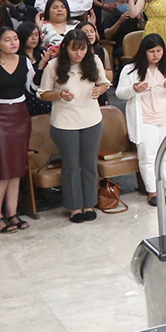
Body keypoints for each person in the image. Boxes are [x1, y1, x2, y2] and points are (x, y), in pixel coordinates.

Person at [37, 30, 110, 222]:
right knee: (71, 165)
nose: (79, 54)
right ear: (65, 48)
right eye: (74, 49)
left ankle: (89, 204)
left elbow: (105, 83)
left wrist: (98, 90)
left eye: (83, 49)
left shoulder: (94, 61)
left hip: (91, 119)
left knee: (89, 164)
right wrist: (60, 95)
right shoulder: (54, 66)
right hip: (64, 122)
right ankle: (74, 207)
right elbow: (43, 93)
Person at [115, 33, 166, 205]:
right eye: (151, 52)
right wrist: (133, 89)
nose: (156, 55)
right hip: (145, 119)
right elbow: (120, 93)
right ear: (143, 52)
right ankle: (152, 192)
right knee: (148, 156)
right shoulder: (130, 69)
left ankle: (163, 188)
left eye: (158, 51)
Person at [0, 27, 34, 233]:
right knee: (2, 169)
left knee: (17, 167)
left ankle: (12, 213)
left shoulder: (25, 61)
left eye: (15, 39)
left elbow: (31, 88)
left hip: (20, 114)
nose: (13, 43)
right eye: (7, 40)